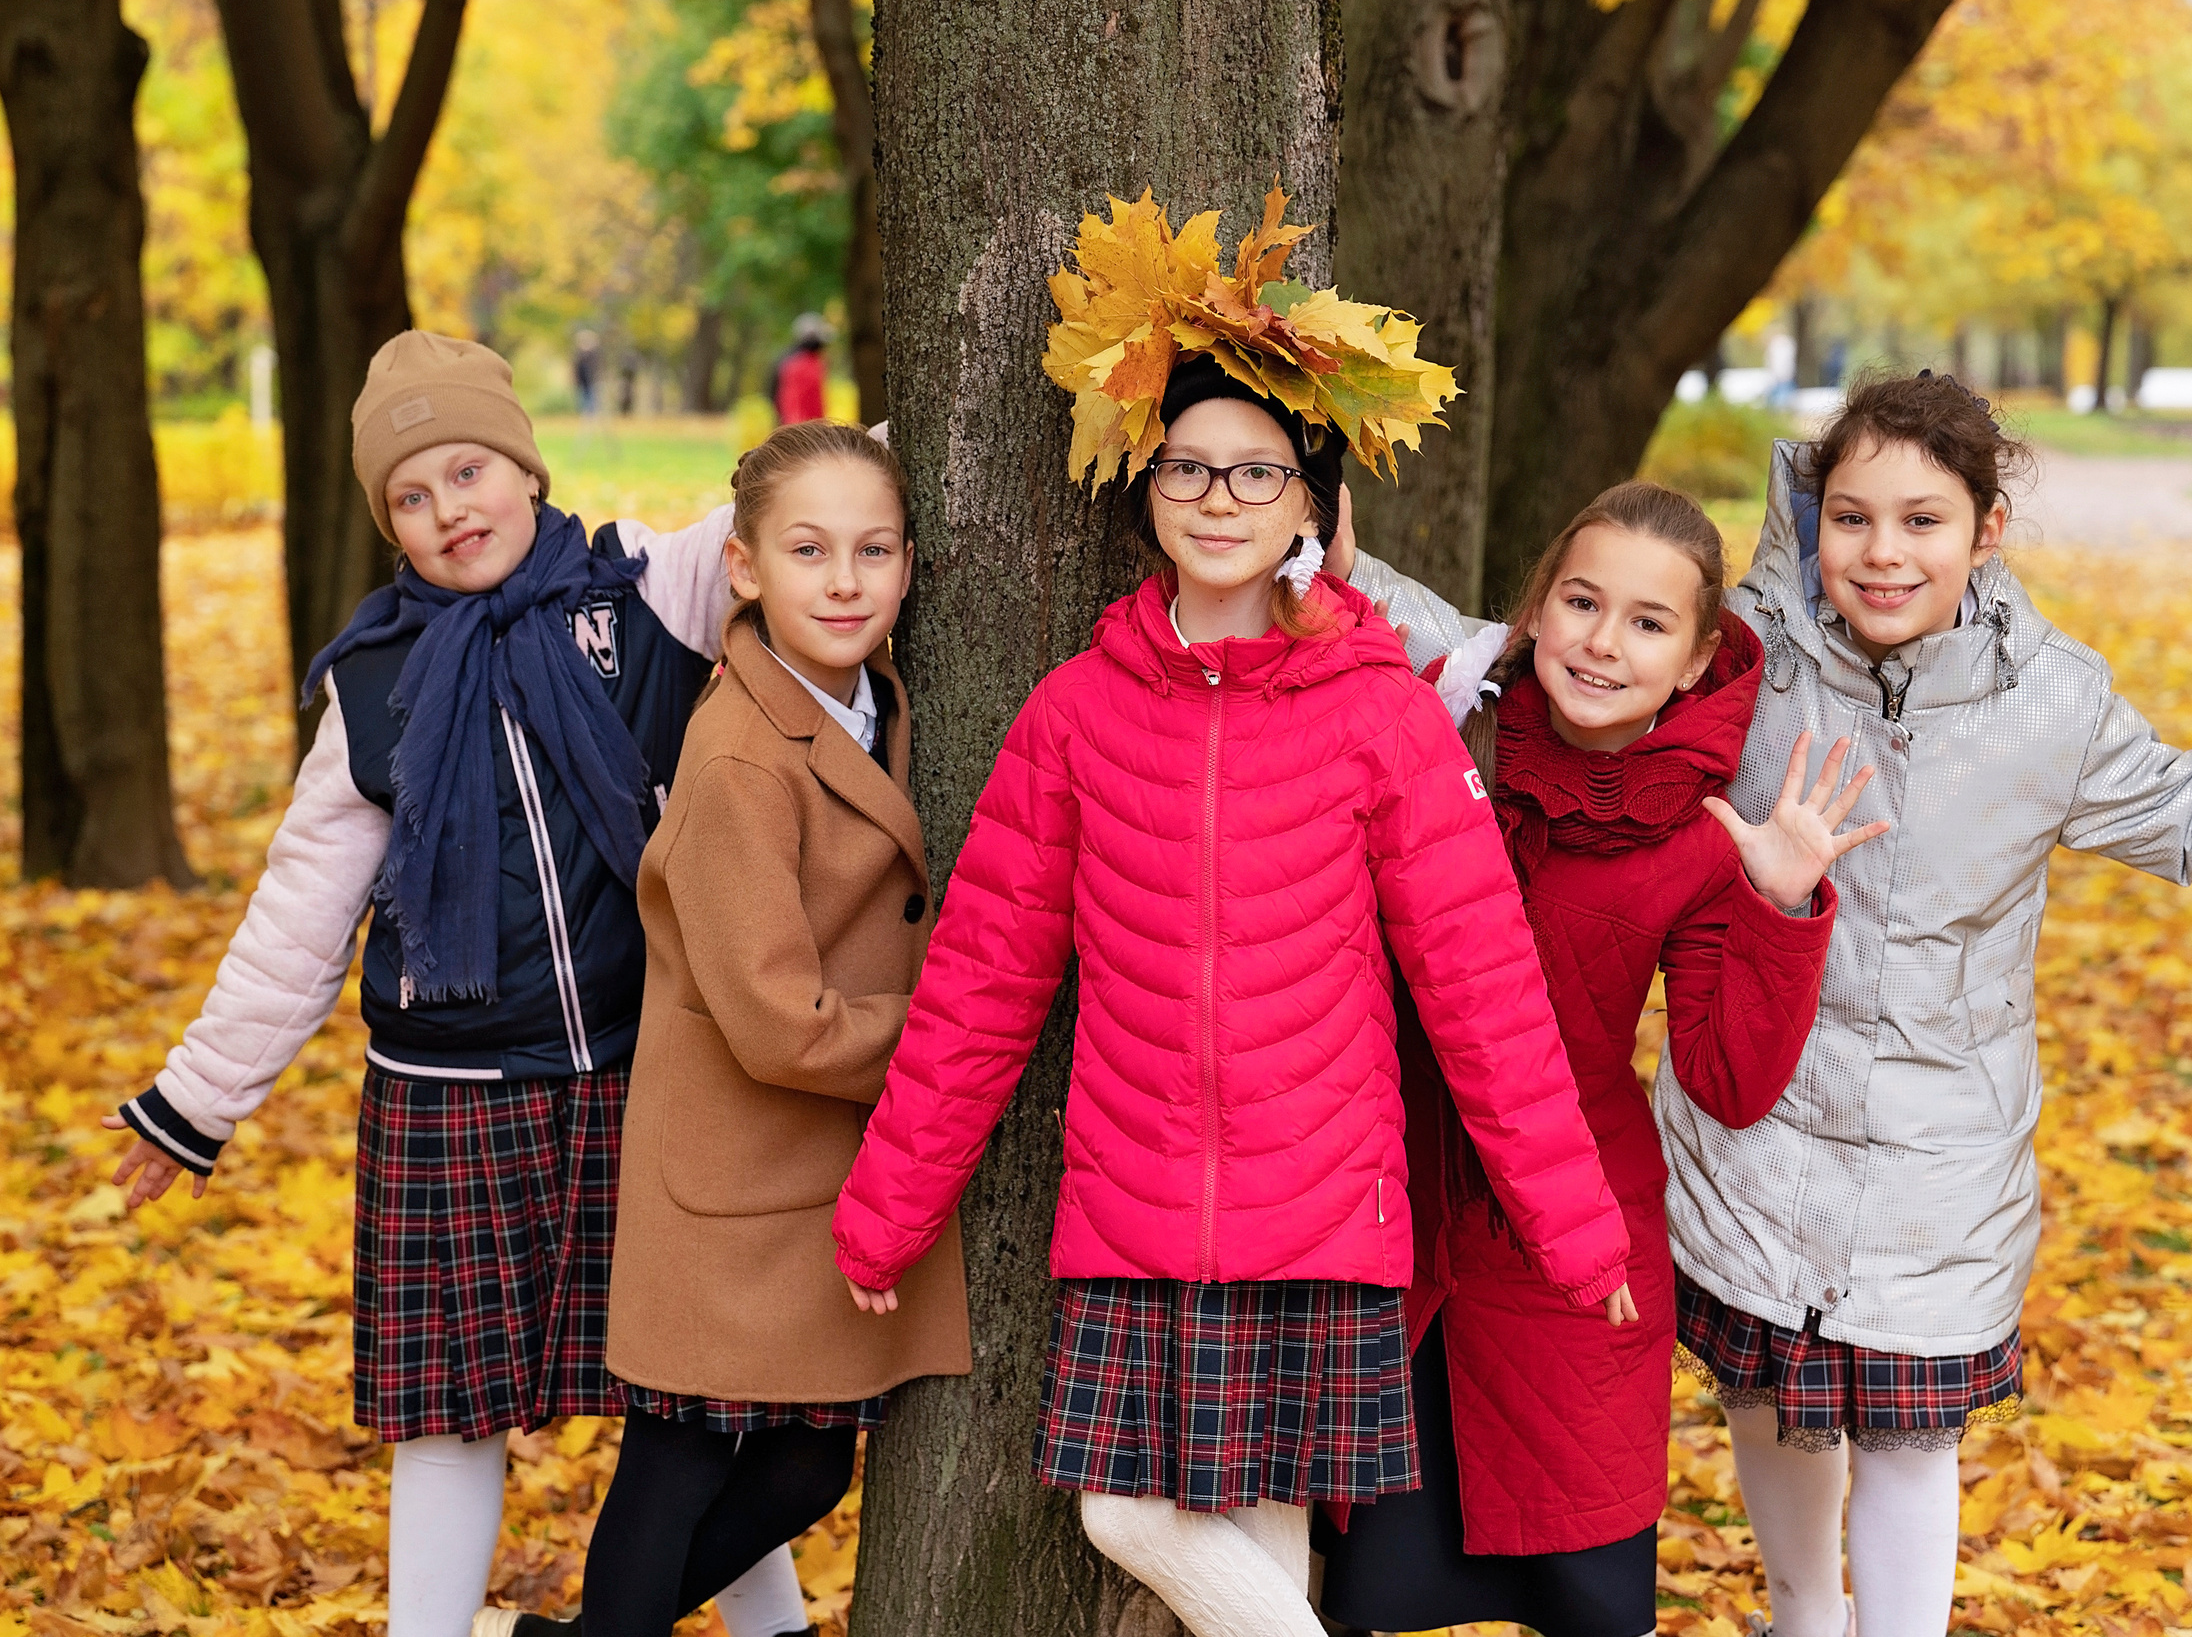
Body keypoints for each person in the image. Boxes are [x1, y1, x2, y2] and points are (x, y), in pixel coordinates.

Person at [1368, 367, 2192, 1637]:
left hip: (1938, 1143)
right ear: (1816, 520)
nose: (1882, 550)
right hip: (1762, 1124)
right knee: (1777, 1403)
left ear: (1985, 530)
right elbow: (1509, 655)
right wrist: (1323, 563)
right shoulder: (1750, 655)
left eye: (1922, 520)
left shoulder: (2049, 701)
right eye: (1853, 516)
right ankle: (1803, 1618)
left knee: (1910, 1437)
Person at [831, 188, 1634, 1637]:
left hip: (1318, 1210)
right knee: (1130, 1512)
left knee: (1244, 1541)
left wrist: (1574, 1230)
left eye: (1256, 473)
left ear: (1310, 505)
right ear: (1146, 487)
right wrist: (889, 1211)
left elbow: (1484, 988)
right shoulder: (1075, 714)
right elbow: (977, 989)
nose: (1217, 498)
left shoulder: (1381, 716)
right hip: (1134, 1214)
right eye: (1190, 468)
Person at [100, 332, 812, 1637]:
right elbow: (299, 914)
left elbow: (806, 501)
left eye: (469, 469)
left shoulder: (644, 591)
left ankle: (777, 1629)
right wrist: (196, 1097)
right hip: (451, 1095)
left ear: (526, 465)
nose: (450, 512)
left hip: (642, 1076)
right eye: (412, 497)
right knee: (450, 1416)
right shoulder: (371, 690)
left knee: (695, 1402)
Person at [1315, 482, 1877, 1637]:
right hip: (1394, 1215)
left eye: (1646, 622)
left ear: (1693, 659)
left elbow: (1729, 1080)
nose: (1602, 642)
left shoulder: (1706, 829)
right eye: (1580, 601)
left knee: (1585, 1590)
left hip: (1573, 1250)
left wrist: (1780, 901)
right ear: (1536, 608)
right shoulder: (1443, 722)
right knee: (1359, 1581)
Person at [483, 420, 970, 1637]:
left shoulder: (882, 696)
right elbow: (776, 1021)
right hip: (735, 1174)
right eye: (809, 550)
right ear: (744, 566)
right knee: (679, 1460)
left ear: (913, 564)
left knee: (808, 1467)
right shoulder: (740, 753)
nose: (846, 579)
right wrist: (955, 1037)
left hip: (809, 1174)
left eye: (875, 548)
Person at [770, 315, 830, 426]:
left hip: (799, 427)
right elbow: (797, 405)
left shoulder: (788, 361)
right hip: (803, 429)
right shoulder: (802, 365)